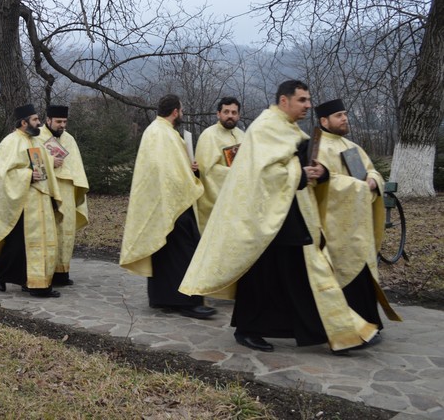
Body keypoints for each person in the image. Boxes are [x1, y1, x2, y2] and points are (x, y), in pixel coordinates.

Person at [181, 80, 380, 353]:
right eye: (302, 100)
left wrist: (317, 172)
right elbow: (264, 174)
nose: (307, 105)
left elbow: (293, 164)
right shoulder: (265, 127)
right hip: (264, 218)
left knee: (298, 273)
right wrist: (300, 172)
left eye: (308, 100)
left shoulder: (288, 129)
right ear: (284, 101)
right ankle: (252, 329)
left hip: (288, 213)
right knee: (266, 275)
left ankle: (335, 331)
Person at [119, 95, 214, 319]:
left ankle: (163, 298)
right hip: (172, 203)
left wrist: (190, 169)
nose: (182, 114)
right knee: (184, 251)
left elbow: (174, 167)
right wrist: (191, 178)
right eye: (181, 110)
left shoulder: (159, 132)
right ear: (175, 112)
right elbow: (167, 172)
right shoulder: (161, 134)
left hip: (165, 203)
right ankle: (187, 302)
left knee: (166, 252)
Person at [313, 98, 400, 330]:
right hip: (333, 227)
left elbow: (370, 170)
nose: (345, 118)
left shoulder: (352, 146)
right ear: (324, 120)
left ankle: (369, 324)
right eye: (339, 115)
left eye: (345, 114)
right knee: (342, 277)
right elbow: (323, 183)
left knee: (362, 275)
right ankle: (348, 329)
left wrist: (373, 179)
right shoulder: (317, 147)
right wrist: (362, 186)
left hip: (358, 225)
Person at [0, 104, 61, 297]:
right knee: (18, 245)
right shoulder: (10, 142)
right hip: (22, 203)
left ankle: (36, 283)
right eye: (34, 120)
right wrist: (28, 175)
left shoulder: (36, 141)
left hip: (40, 198)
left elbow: (42, 166)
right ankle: (0, 272)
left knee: (39, 243)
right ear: (23, 122)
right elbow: (2, 174)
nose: (38, 123)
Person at [39, 104, 89, 287]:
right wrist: (50, 162)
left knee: (65, 232)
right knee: (49, 232)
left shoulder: (69, 139)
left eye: (64, 122)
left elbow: (76, 166)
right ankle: (47, 273)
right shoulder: (37, 137)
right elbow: (32, 163)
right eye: (58, 121)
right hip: (47, 191)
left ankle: (62, 273)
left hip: (66, 191)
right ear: (48, 120)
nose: (62, 125)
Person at [195, 97, 245, 230]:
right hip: (215, 202)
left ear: (238, 115)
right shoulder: (208, 135)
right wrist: (236, 174)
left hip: (239, 199)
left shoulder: (242, 135)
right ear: (218, 114)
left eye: (234, 113)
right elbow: (207, 171)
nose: (230, 116)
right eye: (226, 112)